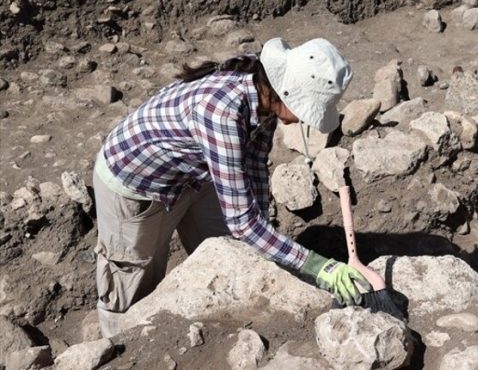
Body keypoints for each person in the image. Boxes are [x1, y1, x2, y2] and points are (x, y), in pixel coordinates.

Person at [92, 37, 385, 337]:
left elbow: (255, 165)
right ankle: (118, 350)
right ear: (286, 94)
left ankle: (217, 331)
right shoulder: (222, 111)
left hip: (196, 173)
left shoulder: (265, 96)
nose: (303, 119)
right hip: (135, 184)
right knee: (132, 285)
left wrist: (264, 236)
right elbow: (242, 221)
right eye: (306, 109)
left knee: (234, 253)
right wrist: (315, 264)